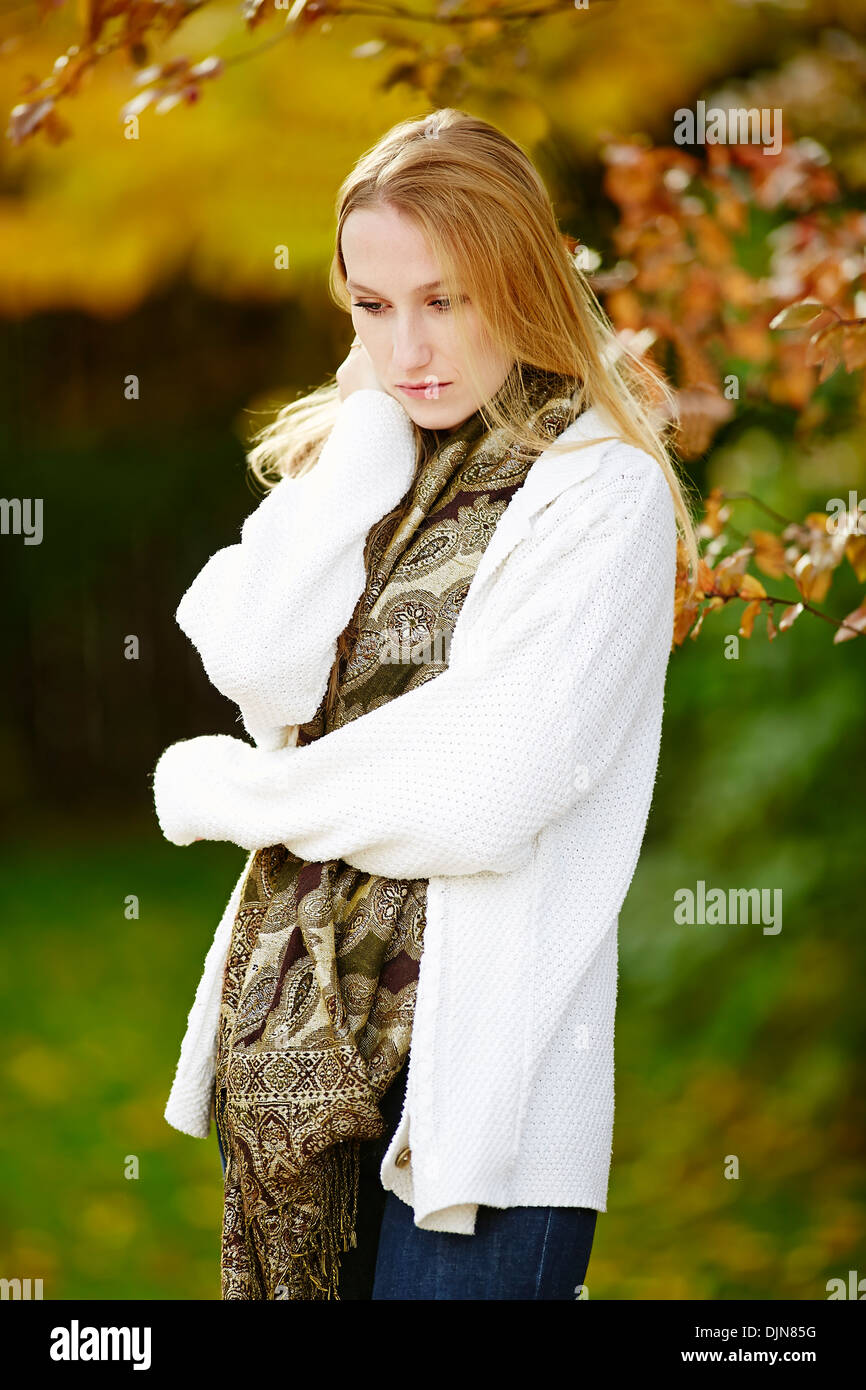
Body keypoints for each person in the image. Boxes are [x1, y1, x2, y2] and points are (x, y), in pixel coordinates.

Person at [152, 106, 699, 1301]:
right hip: (303, 1050)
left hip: (486, 1110)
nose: (410, 346)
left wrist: (240, 797)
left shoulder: (598, 492)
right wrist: (359, 444)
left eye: (444, 299)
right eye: (371, 306)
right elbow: (255, 658)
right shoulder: (364, 460)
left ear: (518, 278)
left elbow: (487, 787)